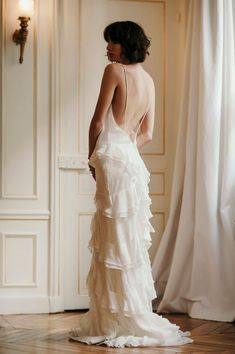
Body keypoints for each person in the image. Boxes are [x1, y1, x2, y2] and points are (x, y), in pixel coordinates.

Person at [70, 21, 192, 348]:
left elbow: (98, 120)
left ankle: (112, 319)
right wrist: (124, 150)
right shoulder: (149, 81)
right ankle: (127, 313)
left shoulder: (114, 71)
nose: (108, 48)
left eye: (112, 42)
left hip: (111, 156)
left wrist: (93, 156)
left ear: (125, 43)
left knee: (113, 238)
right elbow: (148, 133)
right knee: (127, 240)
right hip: (132, 161)